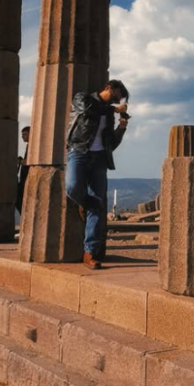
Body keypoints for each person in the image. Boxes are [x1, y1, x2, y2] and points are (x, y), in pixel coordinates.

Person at [65, 80, 130, 270]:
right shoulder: (82, 97)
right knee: (72, 187)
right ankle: (84, 203)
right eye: (116, 95)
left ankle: (90, 252)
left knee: (97, 203)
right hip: (78, 150)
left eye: (118, 100)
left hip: (100, 158)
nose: (116, 100)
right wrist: (115, 110)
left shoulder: (109, 113)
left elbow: (111, 143)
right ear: (108, 87)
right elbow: (88, 110)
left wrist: (122, 128)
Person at [16, 126, 30, 215]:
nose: (22, 137)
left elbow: (30, 161)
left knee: (18, 198)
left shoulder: (32, 145)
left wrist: (20, 161)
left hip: (26, 180)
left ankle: (25, 215)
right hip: (23, 179)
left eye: (25, 134)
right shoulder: (29, 145)